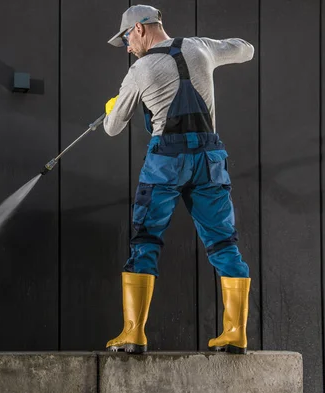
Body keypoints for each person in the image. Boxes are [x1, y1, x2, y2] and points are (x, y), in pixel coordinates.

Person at [103, 5, 254, 355]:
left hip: (166, 162)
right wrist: (213, 49)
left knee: (146, 239)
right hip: (208, 160)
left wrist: (113, 106)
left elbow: (112, 129)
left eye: (126, 37)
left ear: (140, 29)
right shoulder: (200, 46)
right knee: (223, 243)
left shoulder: (140, 70)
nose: (127, 46)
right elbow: (245, 48)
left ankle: (133, 334)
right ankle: (234, 334)